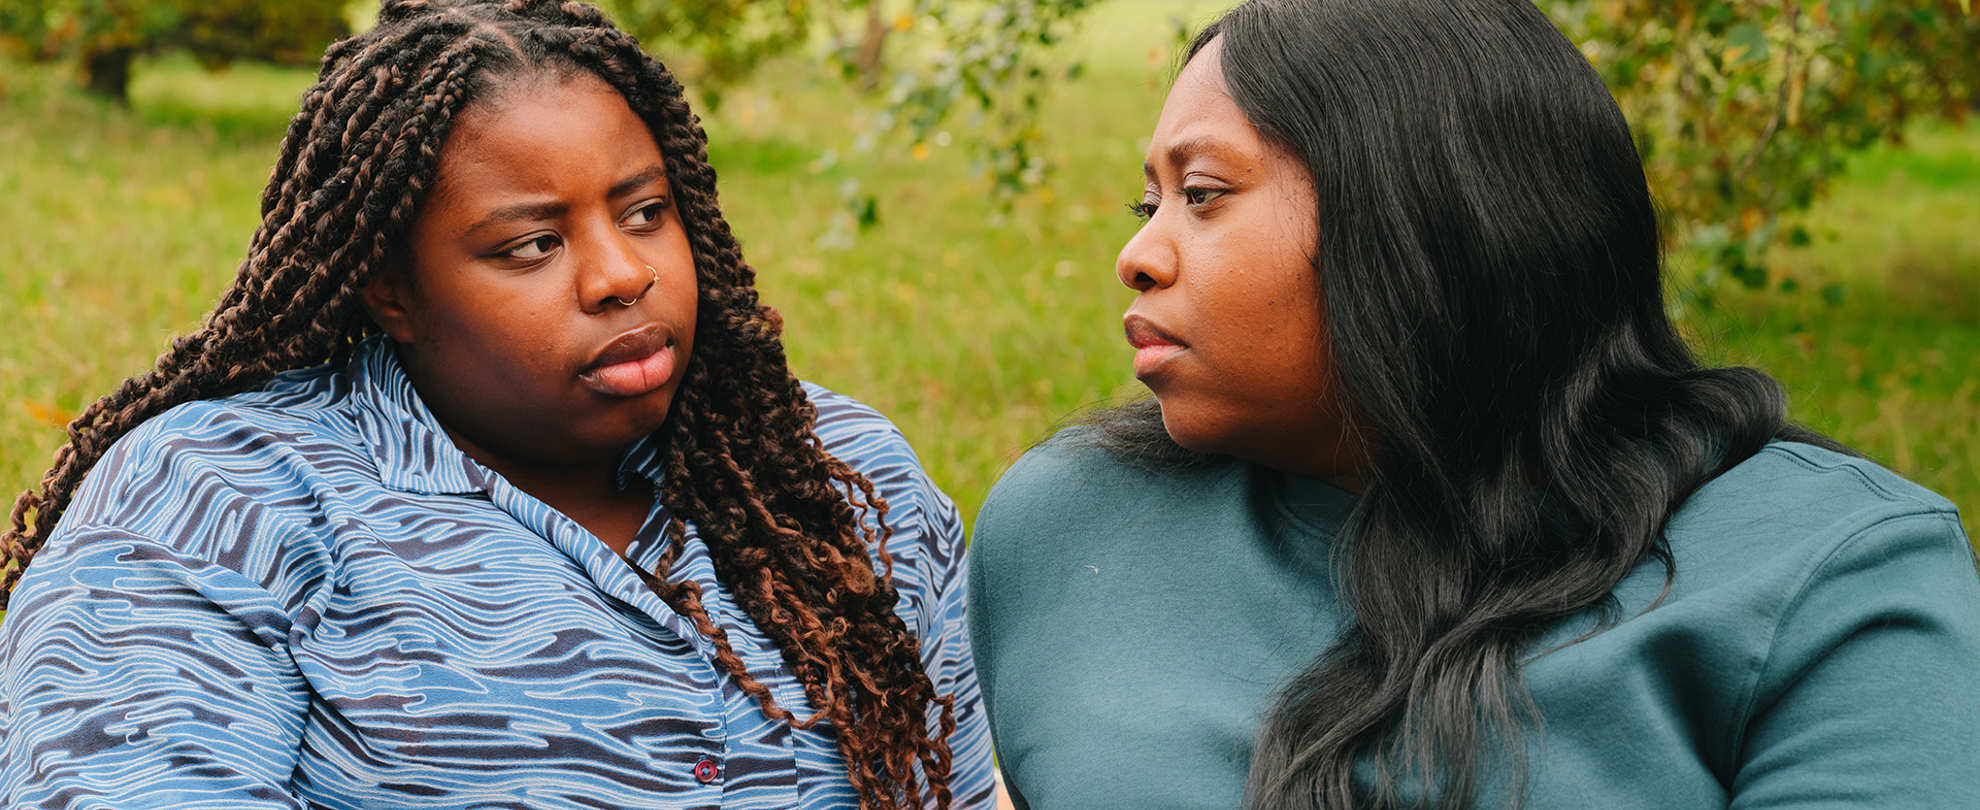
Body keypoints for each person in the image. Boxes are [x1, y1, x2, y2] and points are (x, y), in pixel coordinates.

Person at [966, 0, 1980, 808]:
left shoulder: (1831, 577)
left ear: (1423, 219)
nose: (1137, 255)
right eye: (1149, 204)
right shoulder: (1068, 524)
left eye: (1202, 193)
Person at [0, 1, 992, 807]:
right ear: (390, 287)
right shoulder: (219, 499)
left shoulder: (839, 477)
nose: (619, 275)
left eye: (647, 214)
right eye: (532, 245)